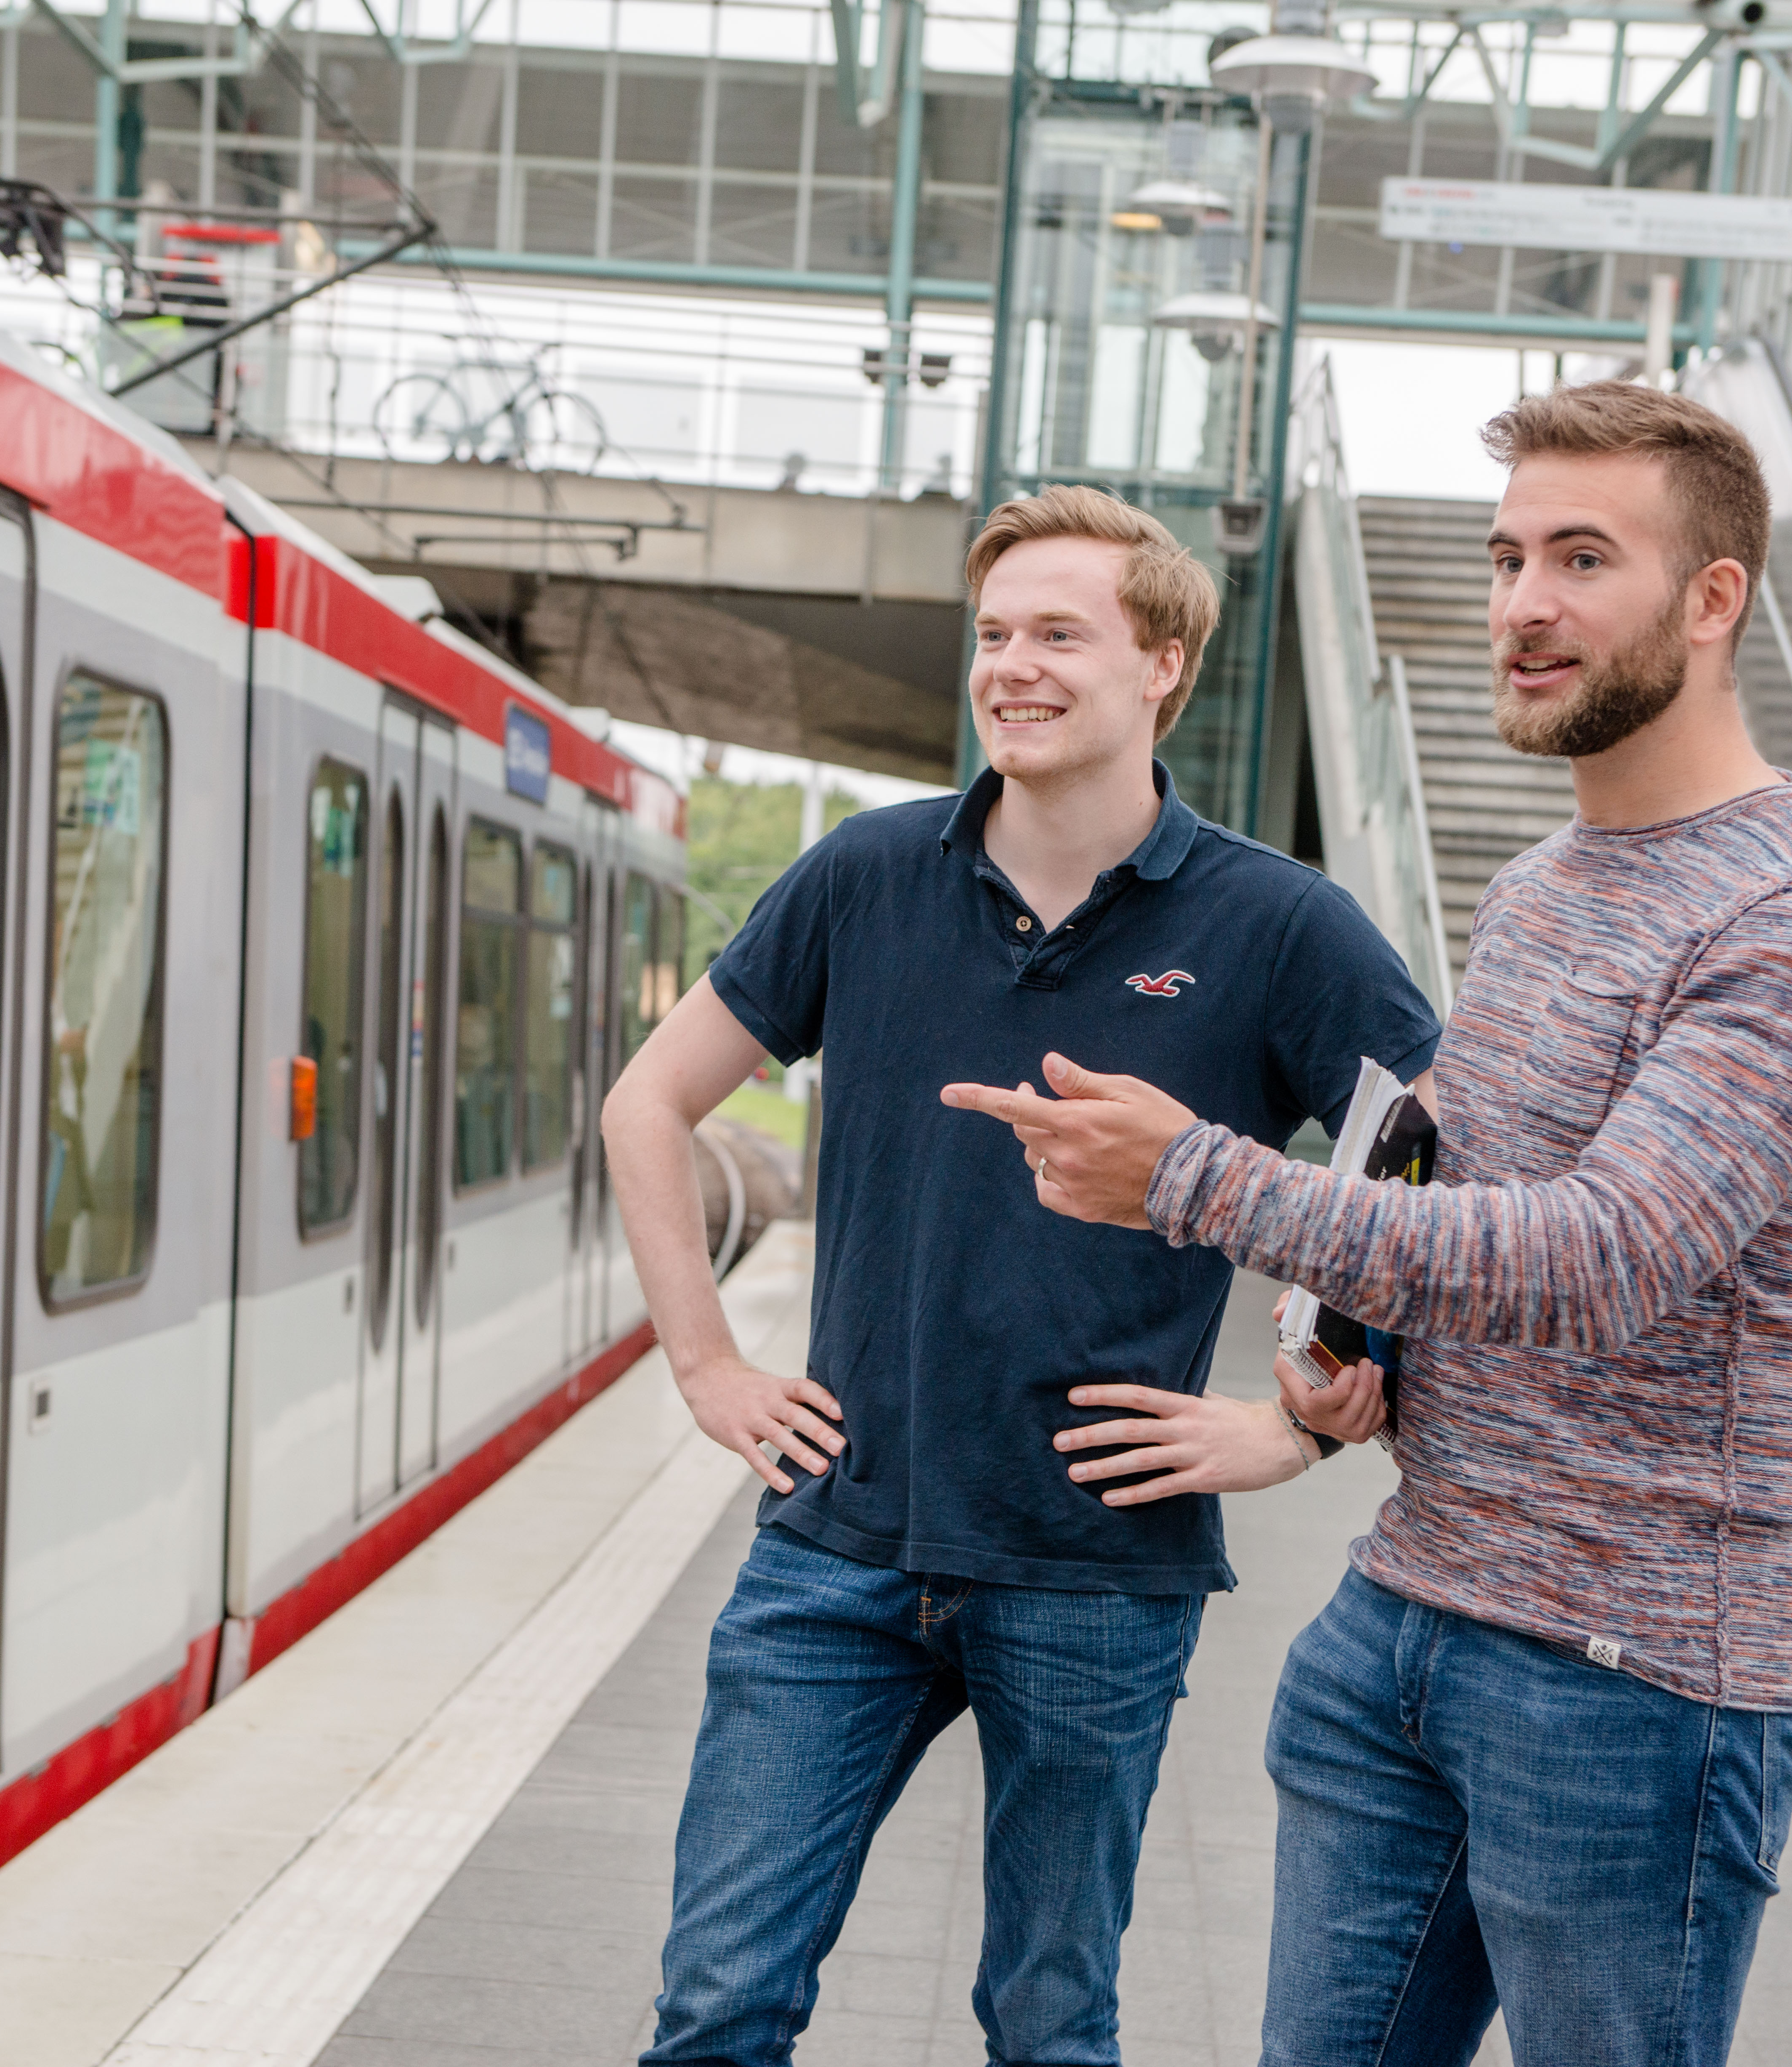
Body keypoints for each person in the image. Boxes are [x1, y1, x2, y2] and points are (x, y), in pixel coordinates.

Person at [948, 384, 1792, 2067]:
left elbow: (1606, 1257)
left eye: (1584, 558)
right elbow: (1452, 1195)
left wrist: (1195, 1176)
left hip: (1636, 1679)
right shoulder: (1545, 882)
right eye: (1507, 556)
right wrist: (1354, 1357)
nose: (1523, 603)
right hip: (1406, 1620)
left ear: (1711, 600)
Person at [601, 484, 1442, 2067]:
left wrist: (1305, 1423)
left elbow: (1432, 1151)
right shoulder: (863, 876)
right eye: (994, 635)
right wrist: (708, 1367)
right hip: (834, 1549)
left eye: (1062, 631)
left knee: (1049, 2019)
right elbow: (647, 1102)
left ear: (1164, 661)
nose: (1015, 666)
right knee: (717, 2009)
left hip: (1095, 1566)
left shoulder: (1276, 923)